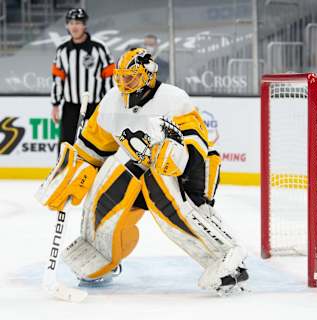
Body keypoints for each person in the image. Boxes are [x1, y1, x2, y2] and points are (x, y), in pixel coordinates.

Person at [37, 48, 248, 295]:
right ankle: (100, 254)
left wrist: (189, 178)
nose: (124, 82)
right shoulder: (111, 101)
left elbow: (197, 146)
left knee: (165, 189)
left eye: (131, 76)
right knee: (116, 169)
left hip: (182, 177)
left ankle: (225, 258)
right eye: (121, 77)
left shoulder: (173, 99)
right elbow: (91, 150)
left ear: (148, 75)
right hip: (136, 178)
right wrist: (74, 173)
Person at [51, 8, 115, 153]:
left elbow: (109, 77)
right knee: (66, 144)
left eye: (78, 23)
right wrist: (55, 105)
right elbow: (58, 79)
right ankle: (64, 174)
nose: (74, 26)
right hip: (71, 106)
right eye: (71, 23)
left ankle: (100, 173)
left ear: (84, 25)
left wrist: (108, 103)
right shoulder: (62, 51)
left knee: (99, 143)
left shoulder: (99, 49)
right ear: (67, 26)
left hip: (95, 106)